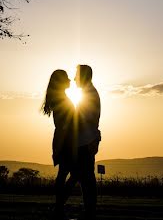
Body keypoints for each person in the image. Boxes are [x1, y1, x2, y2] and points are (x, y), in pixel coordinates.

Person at [41, 69, 74, 218]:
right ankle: (59, 206)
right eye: (66, 78)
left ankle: (59, 206)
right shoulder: (61, 99)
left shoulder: (60, 97)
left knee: (65, 174)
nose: (70, 80)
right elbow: (63, 125)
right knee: (73, 174)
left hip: (65, 140)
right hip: (66, 141)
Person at [72, 64, 101, 219]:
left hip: (85, 141)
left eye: (76, 74)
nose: (74, 78)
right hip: (86, 140)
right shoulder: (88, 93)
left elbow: (86, 119)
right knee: (85, 178)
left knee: (86, 178)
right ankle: (89, 211)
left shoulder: (89, 94)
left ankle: (89, 212)